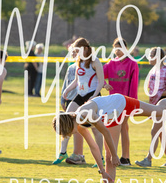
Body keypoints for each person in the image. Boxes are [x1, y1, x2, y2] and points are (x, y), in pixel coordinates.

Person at [53, 89, 166, 183]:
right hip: (111, 116)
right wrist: (101, 170)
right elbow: (93, 147)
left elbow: (105, 133)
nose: (69, 135)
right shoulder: (78, 124)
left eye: (66, 133)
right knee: (108, 158)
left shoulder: (85, 115)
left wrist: (116, 155)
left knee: (158, 111)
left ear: (68, 125)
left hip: (120, 103)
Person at [61, 37, 106, 165]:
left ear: (86, 49)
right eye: (74, 50)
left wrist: (95, 95)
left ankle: (100, 158)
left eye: (78, 50)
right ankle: (63, 151)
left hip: (93, 95)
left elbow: (101, 81)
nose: (76, 53)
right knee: (67, 119)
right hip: (80, 95)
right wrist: (66, 91)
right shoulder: (78, 62)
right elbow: (76, 81)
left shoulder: (95, 61)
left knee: (96, 128)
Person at [135, 47, 166, 168]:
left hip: (164, 104)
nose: (149, 57)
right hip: (155, 104)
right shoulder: (153, 70)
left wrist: (158, 95)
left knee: (155, 131)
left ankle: (148, 160)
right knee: (160, 133)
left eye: (152, 55)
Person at [103, 38, 139, 166]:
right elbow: (99, 74)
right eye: (116, 49)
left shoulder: (132, 64)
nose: (117, 52)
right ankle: (115, 157)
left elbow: (133, 86)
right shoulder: (111, 63)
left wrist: (132, 104)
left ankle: (125, 158)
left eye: (120, 49)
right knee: (113, 127)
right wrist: (104, 84)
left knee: (123, 127)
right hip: (112, 102)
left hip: (126, 101)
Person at [53, 50, 79, 164]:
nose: (73, 54)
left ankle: (100, 157)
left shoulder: (87, 67)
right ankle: (63, 152)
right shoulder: (71, 67)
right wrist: (62, 98)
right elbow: (66, 83)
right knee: (67, 126)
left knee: (89, 129)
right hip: (70, 100)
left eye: (75, 52)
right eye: (72, 52)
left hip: (82, 100)